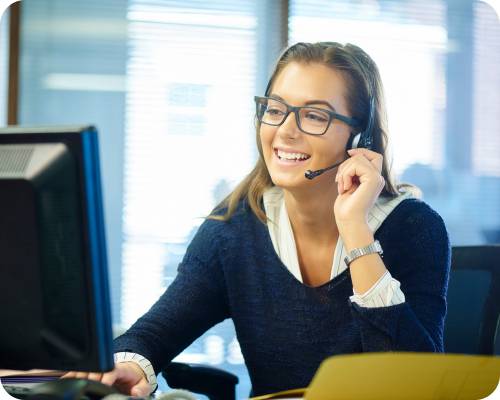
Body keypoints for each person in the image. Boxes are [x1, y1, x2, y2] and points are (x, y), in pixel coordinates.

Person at [63, 42, 451, 397]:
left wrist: (355, 230)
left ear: (360, 139)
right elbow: (153, 334)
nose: (285, 130)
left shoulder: (414, 229)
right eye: (276, 109)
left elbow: (415, 385)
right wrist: (128, 364)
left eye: (314, 115)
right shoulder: (235, 228)